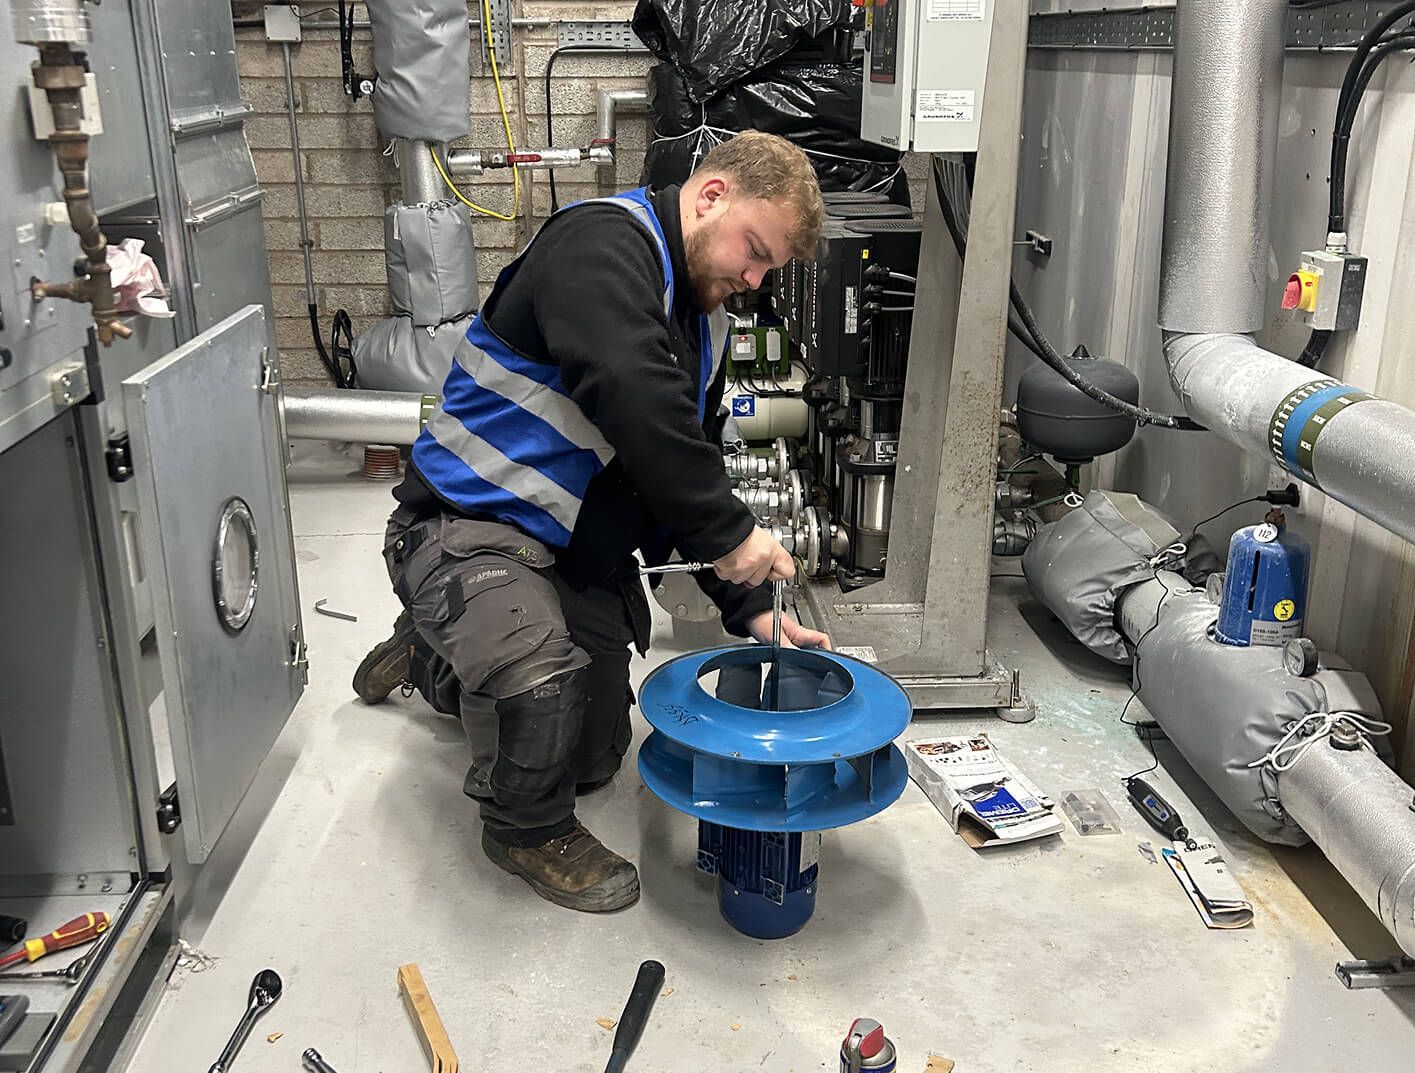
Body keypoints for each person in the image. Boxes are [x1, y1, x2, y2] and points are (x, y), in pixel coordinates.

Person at [352, 130, 829, 914]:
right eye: (754, 250)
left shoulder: (702, 324)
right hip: (463, 527)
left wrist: (747, 609)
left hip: (565, 555)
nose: (752, 278)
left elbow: (679, 469)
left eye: (767, 267)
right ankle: (523, 830)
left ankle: (432, 656)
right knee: (541, 688)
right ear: (710, 196)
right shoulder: (600, 244)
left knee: (592, 753)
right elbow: (631, 391)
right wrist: (736, 536)